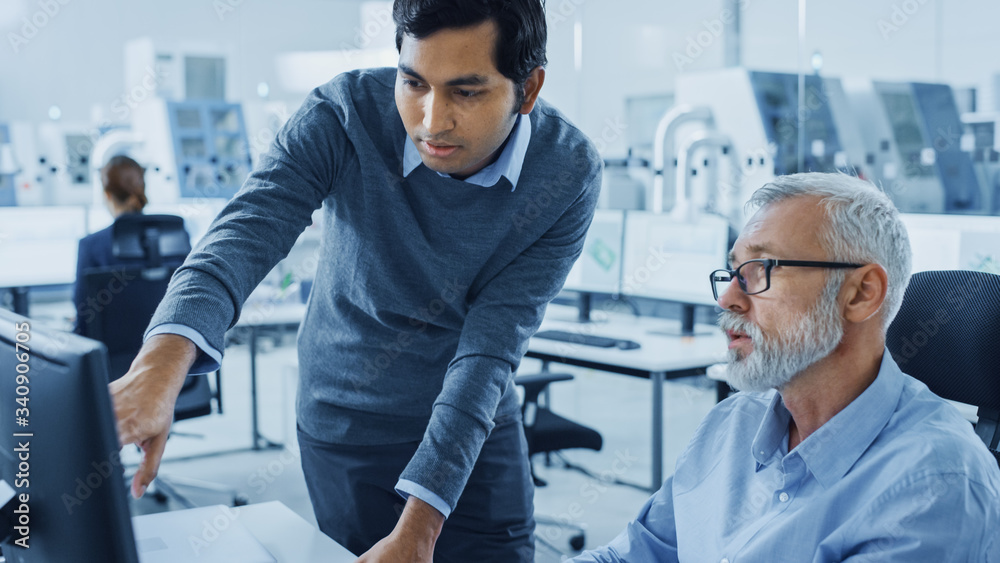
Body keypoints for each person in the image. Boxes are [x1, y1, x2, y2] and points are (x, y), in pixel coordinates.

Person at [110, 1, 602, 562]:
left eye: (466, 92)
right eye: (414, 82)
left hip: (475, 425)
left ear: (529, 89)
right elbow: (245, 234)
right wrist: (161, 363)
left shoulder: (566, 171)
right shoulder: (344, 114)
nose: (432, 120)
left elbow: (490, 351)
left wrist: (421, 527)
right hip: (346, 419)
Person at [571, 172, 1000, 562]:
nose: (728, 300)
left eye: (761, 269)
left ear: (860, 294)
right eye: (734, 270)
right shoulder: (732, 423)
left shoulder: (934, 486)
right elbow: (640, 553)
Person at [72, 154, 152, 335]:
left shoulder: (91, 245)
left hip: (114, 357)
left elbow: (83, 313)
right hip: (169, 353)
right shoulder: (173, 234)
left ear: (107, 194)